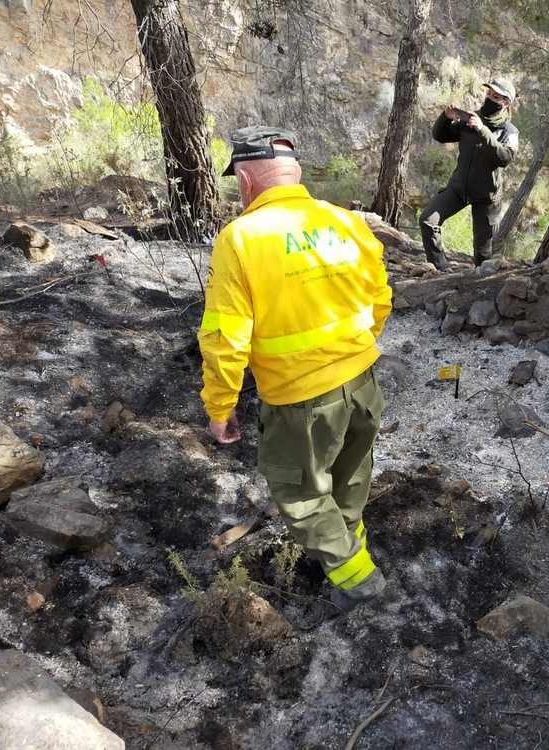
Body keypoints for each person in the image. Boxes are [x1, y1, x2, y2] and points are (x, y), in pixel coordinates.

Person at [198, 125, 393, 613]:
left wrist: (219, 405)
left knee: (301, 494)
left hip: (300, 398)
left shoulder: (241, 239)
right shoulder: (347, 221)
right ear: (294, 173)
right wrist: (351, 352)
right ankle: (345, 561)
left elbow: (225, 338)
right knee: (349, 481)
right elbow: (381, 299)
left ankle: (360, 584)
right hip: (363, 384)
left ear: (245, 181)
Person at [420, 78, 520, 270]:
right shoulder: (471, 119)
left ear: (506, 102)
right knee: (427, 220)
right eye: (489, 94)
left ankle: (478, 289)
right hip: (459, 188)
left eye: (496, 96)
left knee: (483, 255)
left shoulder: (509, 131)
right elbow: (440, 136)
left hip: (486, 197)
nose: (490, 98)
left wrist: (483, 131)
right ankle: (440, 269)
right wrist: (446, 116)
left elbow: (505, 158)